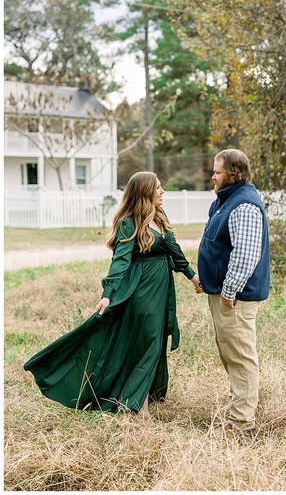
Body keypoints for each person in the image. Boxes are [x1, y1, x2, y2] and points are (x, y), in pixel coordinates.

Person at [24, 172, 202, 415]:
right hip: (141, 291)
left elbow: (175, 252)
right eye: (158, 188)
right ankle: (140, 409)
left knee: (156, 342)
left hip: (162, 290)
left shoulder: (160, 216)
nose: (162, 191)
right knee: (150, 343)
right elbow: (120, 262)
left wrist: (193, 277)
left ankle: (141, 398)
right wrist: (108, 294)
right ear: (144, 193)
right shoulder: (128, 222)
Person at [198, 149, 270, 433]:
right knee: (231, 354)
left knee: (241, 357)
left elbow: (246, 255)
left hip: (236, 298)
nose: (212, 176)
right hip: (224, 294)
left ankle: (241, 423)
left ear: (234, 174)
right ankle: (240, 408)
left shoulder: (245, 205)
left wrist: (228, 291)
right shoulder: (224, 201)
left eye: (217, 172)